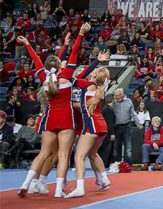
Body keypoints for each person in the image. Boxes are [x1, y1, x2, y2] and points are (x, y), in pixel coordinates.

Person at [16, 24, 87, 198]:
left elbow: (38, 61)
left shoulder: (43, 78)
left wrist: (27, 44)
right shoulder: (68, 75)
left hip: (50, 119)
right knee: (63, 154)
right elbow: (75, 52)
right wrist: (80, 34)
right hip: (66, 120)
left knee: (43, 153)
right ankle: (57, 190)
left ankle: (27, 183)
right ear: (61, 67)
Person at [66, 54, 112, 198]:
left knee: (79, 156)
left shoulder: (88, 85)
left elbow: (74, 78)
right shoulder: (101, 89)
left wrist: (96, 61)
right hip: (101, 125)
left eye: (95, 70)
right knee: (92, 153)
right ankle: (104, 178)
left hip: (91, 124)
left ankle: (80, 187)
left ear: (95, 75)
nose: (92, 71)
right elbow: (85, 105)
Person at [112, 88, 139, 163]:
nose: (117, 97)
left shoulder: (128, 101)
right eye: (116, 96)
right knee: (116, 147)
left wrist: (138, 123)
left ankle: (128, 165)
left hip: (127, 126)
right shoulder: (113, 102)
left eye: (119, 95)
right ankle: (117, 164)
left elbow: (133, 113)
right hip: (116, 127)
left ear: (123, 95)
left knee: (128, 147)